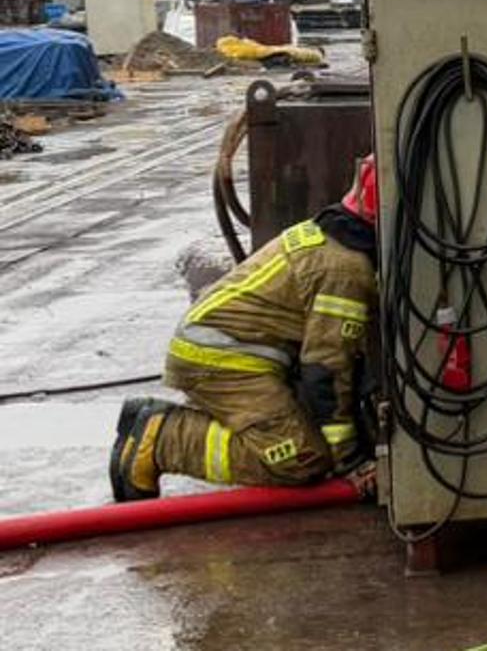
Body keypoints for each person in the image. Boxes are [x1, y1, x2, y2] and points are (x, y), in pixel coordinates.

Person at [108, 155, 379, 500]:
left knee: (312, 439)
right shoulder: (345, 270)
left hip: (229, 351)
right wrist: (351, 461)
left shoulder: (332, 236)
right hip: (221, 361)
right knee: (300, 457)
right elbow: (326, 371)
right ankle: (164, 438)